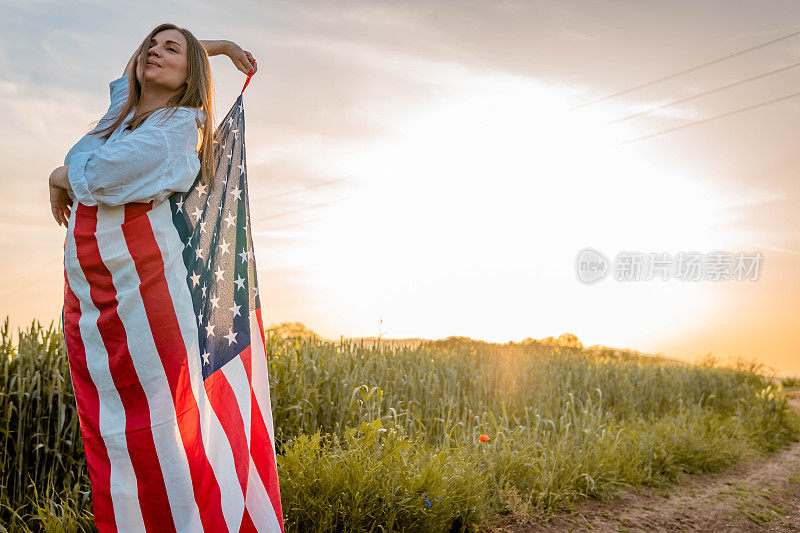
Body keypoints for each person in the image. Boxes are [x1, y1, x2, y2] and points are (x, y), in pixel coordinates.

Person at [48, 23, 267, 532]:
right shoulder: (123, 114)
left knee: (158, 431)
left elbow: (98, 174)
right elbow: (131, 77)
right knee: (114, 430)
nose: (154, 52)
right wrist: (222, 46)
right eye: (152, 43)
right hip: (98, 295)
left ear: (191, 76)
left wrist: (59, 175)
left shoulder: (172, 130)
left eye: (172, 50)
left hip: (145, 294)